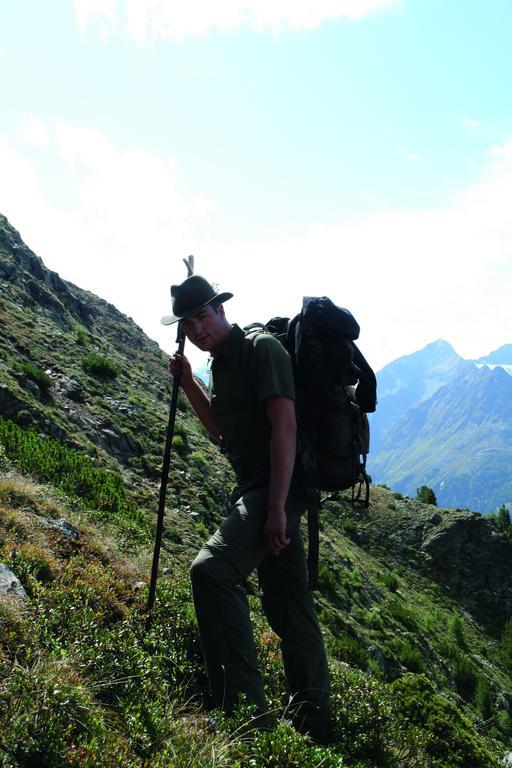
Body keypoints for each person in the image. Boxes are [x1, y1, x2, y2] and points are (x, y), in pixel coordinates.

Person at [162, 274, 331, 741]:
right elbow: (221, 431)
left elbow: (285, 427)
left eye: (202, 316)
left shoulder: (261, 351)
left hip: (278, 488)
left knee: (211, 571)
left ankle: (245, 718)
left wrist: (276, 507)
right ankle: (316, 721)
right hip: (261, 489)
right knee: (288, 602)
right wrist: (189, 383)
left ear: (220, 310)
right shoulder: (220, 363)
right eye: (188, 322)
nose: (196, 328)